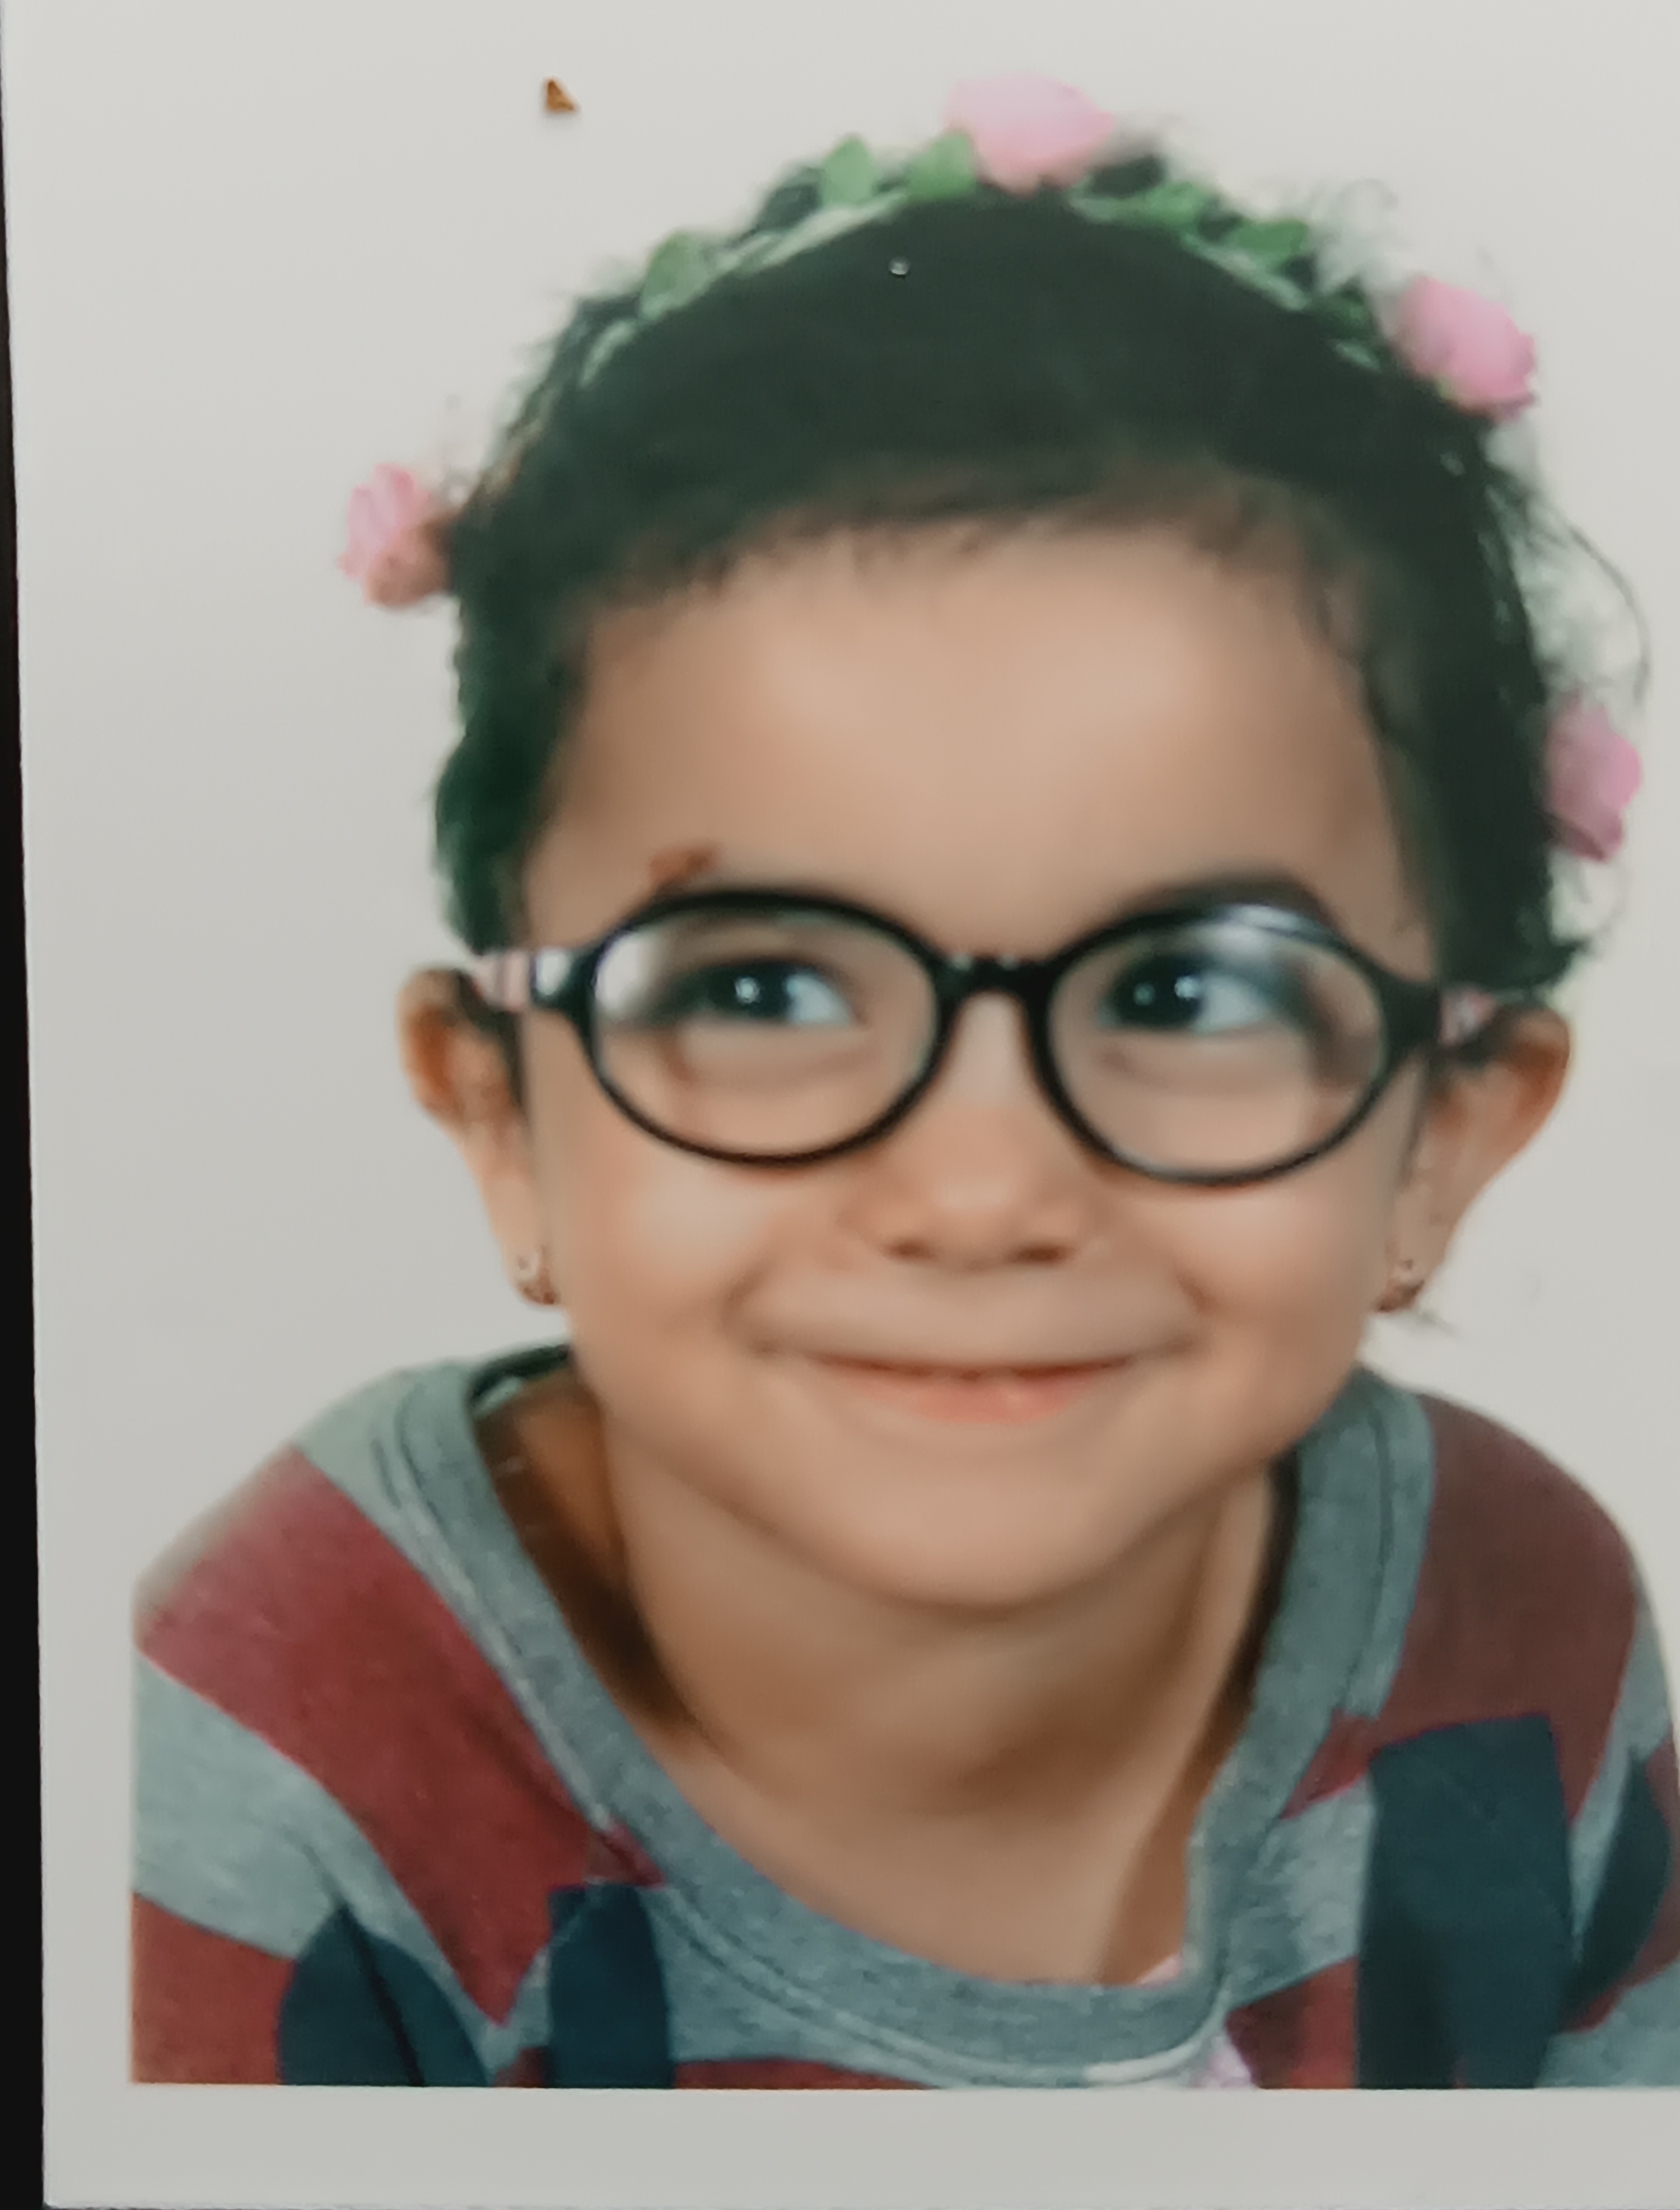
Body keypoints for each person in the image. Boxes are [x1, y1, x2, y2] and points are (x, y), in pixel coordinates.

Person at [132, 74, 1676, 2089]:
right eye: (766, 984)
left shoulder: (1522, 1636)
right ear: (500, 1115)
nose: (977, 1190)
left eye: (1191, 990)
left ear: (1443, 1141)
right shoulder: (280, 1771)